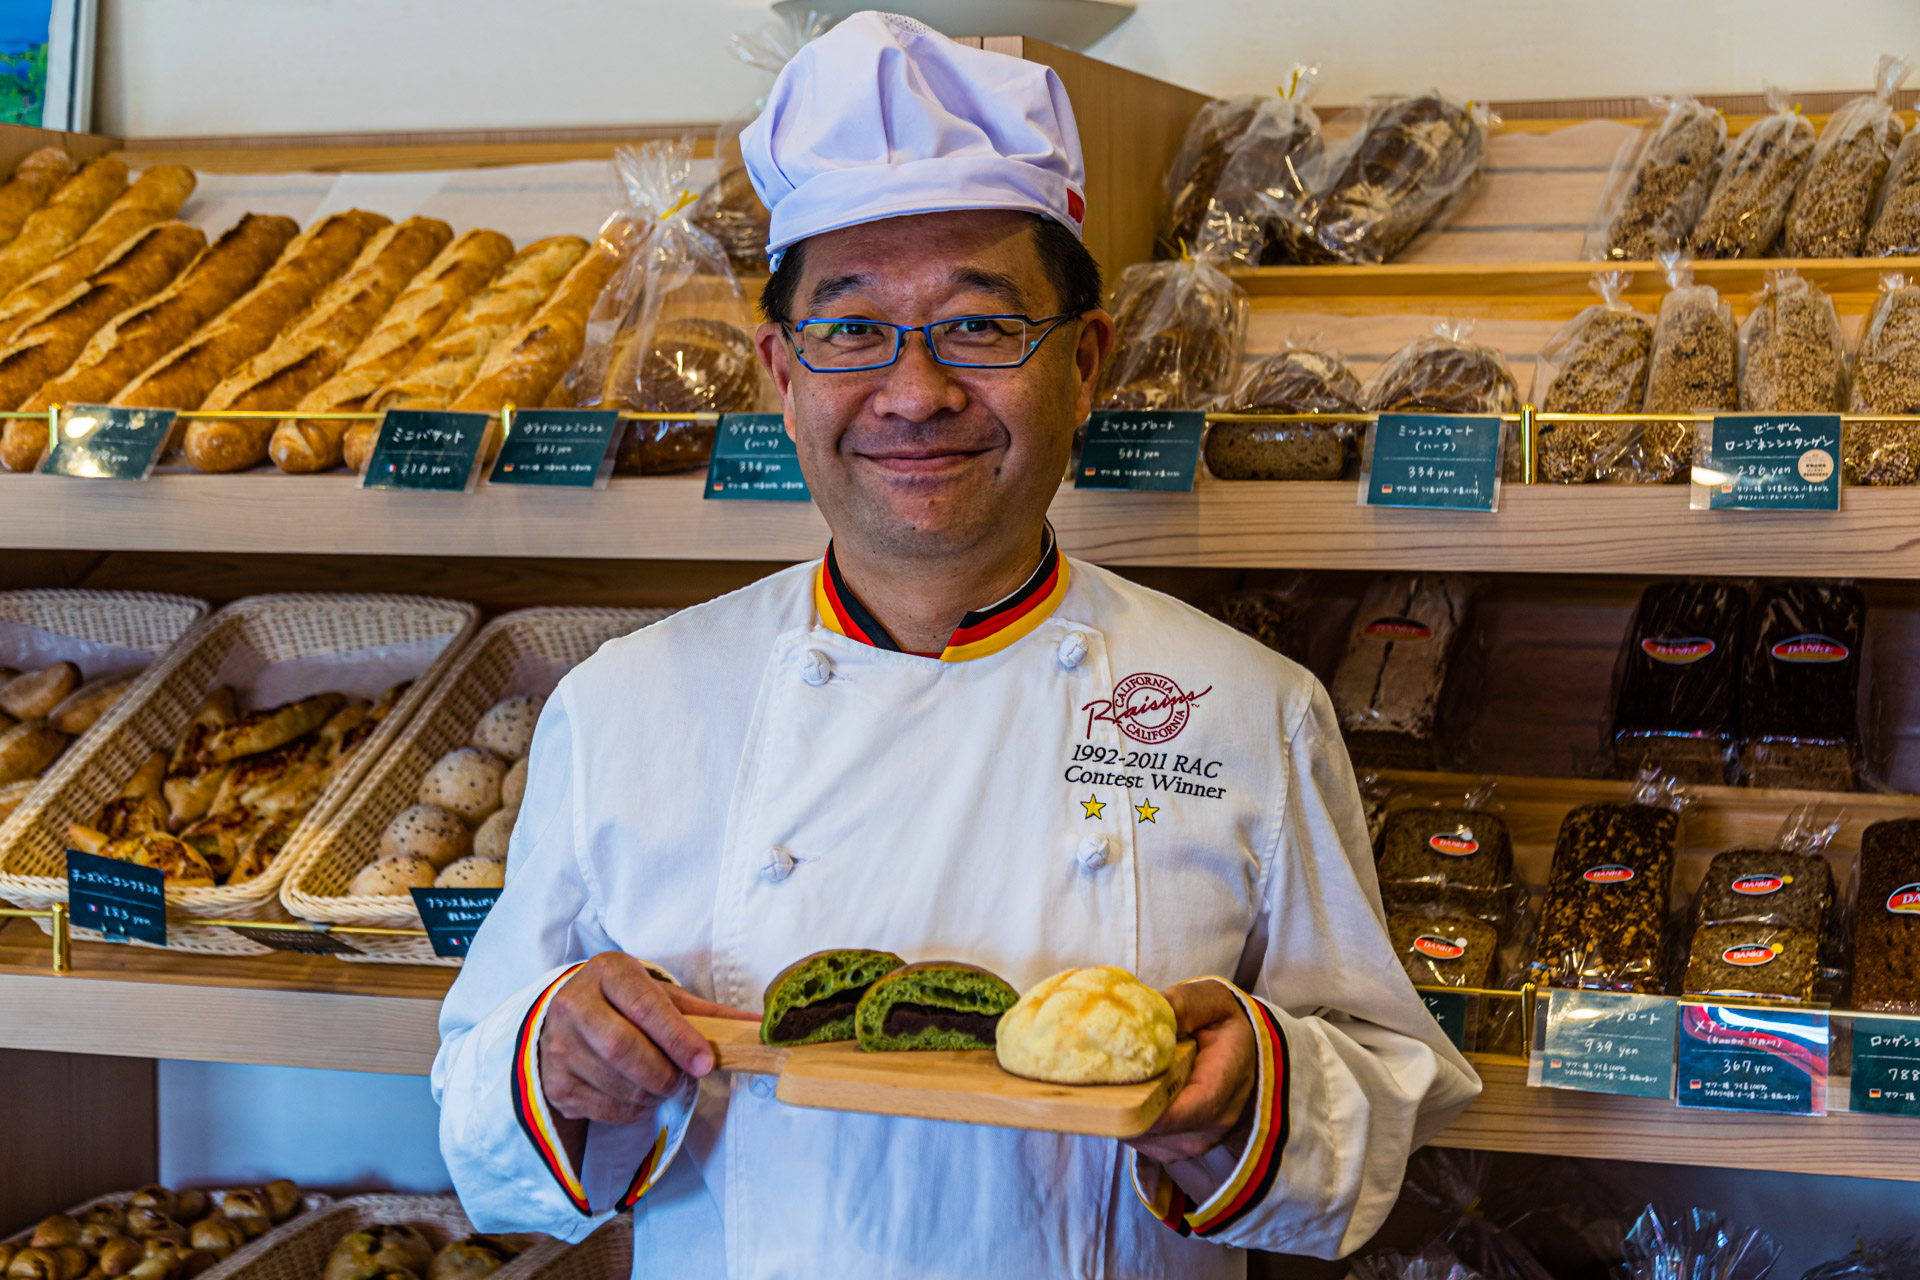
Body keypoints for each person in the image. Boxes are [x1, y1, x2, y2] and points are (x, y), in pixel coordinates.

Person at [433, 12, 1479, 1276]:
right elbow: (474, 1112)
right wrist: (554, 1054)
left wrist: (1260, 1085)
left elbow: (1378, 1094)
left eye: (980, 327)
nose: (915, 391)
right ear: (781, 374)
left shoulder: (1247, 707)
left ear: (1085, 363)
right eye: (850, 328)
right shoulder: (623, 705)